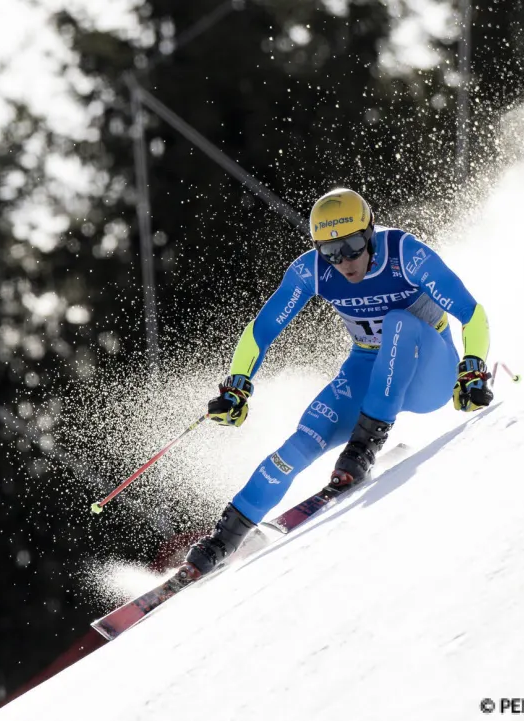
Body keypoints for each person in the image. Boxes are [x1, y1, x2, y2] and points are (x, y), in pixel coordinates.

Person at [185, 187, 493, 575]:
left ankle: (364, 446)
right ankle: (223, 539)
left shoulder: (405, 253)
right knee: (300, 443)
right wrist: (237, 385)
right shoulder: (310, 271)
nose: (343, 261)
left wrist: (473, 368)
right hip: (369, 369)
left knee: (399, 321)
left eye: (350, 246)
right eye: (330, 252)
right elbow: (261, 330)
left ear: (369, 234)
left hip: (430, 372)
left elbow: (473, 313)